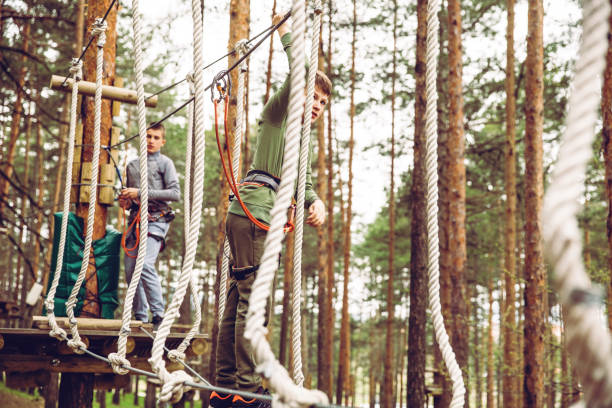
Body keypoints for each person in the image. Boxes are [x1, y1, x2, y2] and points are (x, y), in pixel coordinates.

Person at [210, 13, 332, 408]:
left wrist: (314, 202)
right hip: (256, 210)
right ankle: (245, 390)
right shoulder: (280, 115)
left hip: (253, 214)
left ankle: (226, 386)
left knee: (238, 297)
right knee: (251, 301)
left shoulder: (300, 140)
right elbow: (300, 73)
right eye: (313, 97)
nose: (316, 105)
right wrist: (285, 31)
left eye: (322, 102)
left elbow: (304, 181)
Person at [118, 122, 180, 327]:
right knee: (129, 271)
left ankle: (158, 314)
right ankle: (140, 317)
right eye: (148, 136)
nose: (151, 141)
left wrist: (140, 193)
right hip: (135, 221)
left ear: (162, 141)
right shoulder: (133, 166)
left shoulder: (165, 163)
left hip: (157, 219)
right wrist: (127, 201)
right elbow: (131, 200)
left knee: (144, 265)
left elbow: (175, 194)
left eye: (156, 137)